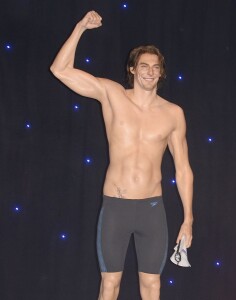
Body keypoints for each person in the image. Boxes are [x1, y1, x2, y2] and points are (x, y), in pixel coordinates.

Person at [50, 10, 193, 300]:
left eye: (155, 67)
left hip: (152, 209)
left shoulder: (173, 113)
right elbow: (60, 70)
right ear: (132, 69)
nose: (150, 71)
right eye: (144, 65)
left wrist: (188, 218)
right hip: (116, 206)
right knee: (110, 284)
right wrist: (80, 28)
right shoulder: (112, 94)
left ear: (162, 72)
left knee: (152, 286)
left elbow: (183, 169)